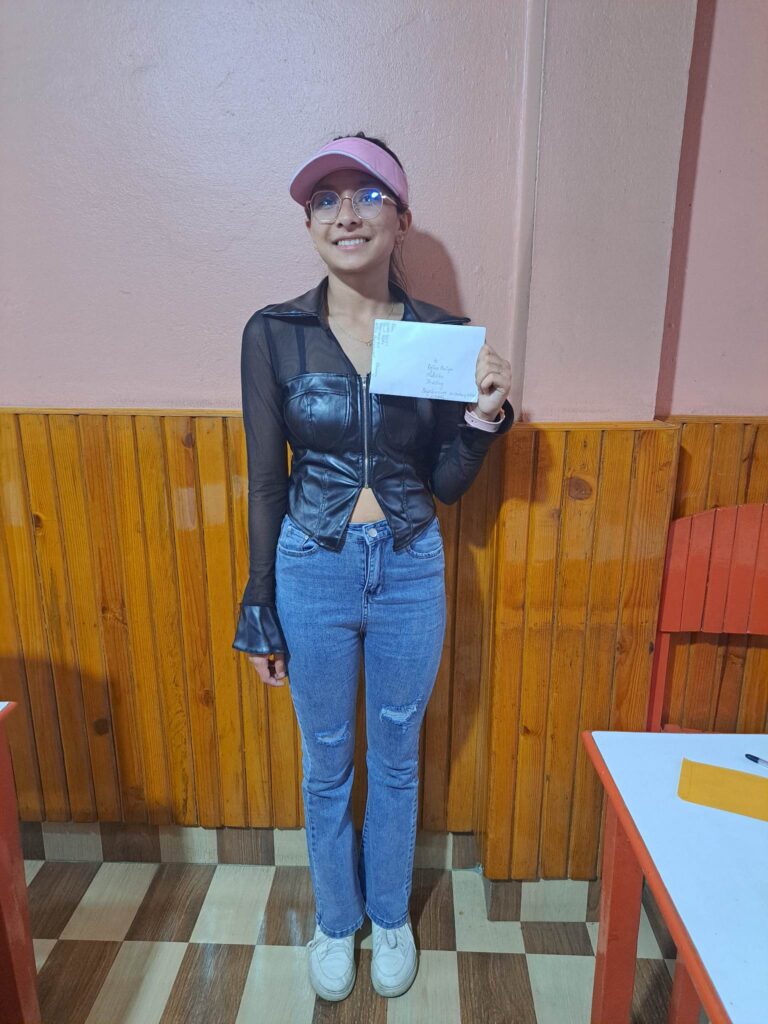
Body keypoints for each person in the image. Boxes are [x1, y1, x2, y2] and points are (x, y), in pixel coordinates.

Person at [232, 132, 514, 1001]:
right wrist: (259, 602)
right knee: (326, 762)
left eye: (367, 195)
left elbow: (445, 486)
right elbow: (267, 481)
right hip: (311, 567)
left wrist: (484, 420)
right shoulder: (274, 334)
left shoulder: (440, 338)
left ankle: (388, 914)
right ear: (309, 222)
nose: (345, 213)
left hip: (409, 566)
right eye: (326, 199)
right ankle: (335, 919)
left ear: (401, 219)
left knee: (395, 756)